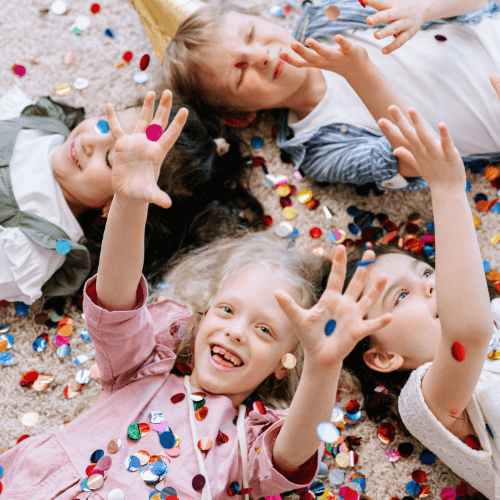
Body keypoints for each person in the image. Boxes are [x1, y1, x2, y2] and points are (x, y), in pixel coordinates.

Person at [0, 89, 392, 499]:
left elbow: (294, 452)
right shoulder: (142, 367)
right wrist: (130, 201)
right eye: (226, 310)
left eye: (264, 330)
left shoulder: (247, 444)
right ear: (201, 318)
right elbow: (116, 297)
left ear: (284, 363)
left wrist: (324, 365)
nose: (236, 332)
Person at [338, 73, 500, 499]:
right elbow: (468, 332)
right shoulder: (422, 400)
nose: (432, 285)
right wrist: (447, 188)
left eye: (427, 272)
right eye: (402, 295)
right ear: (385, 356)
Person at [164, 0, 500, 192]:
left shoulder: (331, 11)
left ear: (261, 17)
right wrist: (360, 73)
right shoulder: (319, 150)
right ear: (240, 115)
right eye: (239, 72)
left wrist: (421, 9)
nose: (260, 56)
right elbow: (424, 164)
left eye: (251, 34)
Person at [0, 86, 264, 305]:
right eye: (104, 127)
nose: (88, 142)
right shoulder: (41, 122)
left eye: (109, 160)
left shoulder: (36, 245)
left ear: (112, 207)